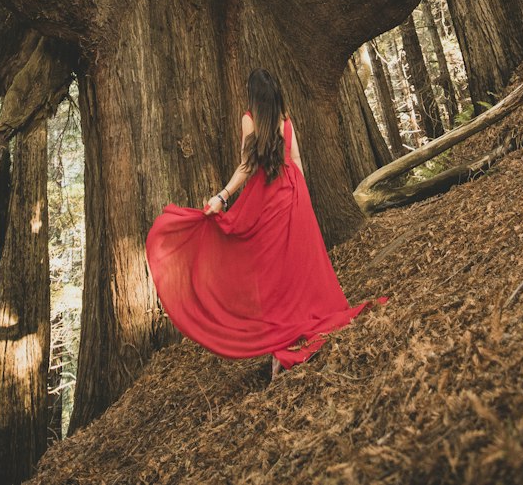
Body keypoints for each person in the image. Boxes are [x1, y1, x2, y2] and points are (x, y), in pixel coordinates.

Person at [146, 67, 386, 378]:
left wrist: (222, 196)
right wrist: (304, 198)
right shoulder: (286, 118)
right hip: (294, 195)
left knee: (269, 275)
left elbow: (247, 166)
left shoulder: (250, 119)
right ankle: (285, 344)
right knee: (295, 271)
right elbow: (296, 159)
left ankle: (280, 347)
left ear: (254, 97)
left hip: (267, 199)